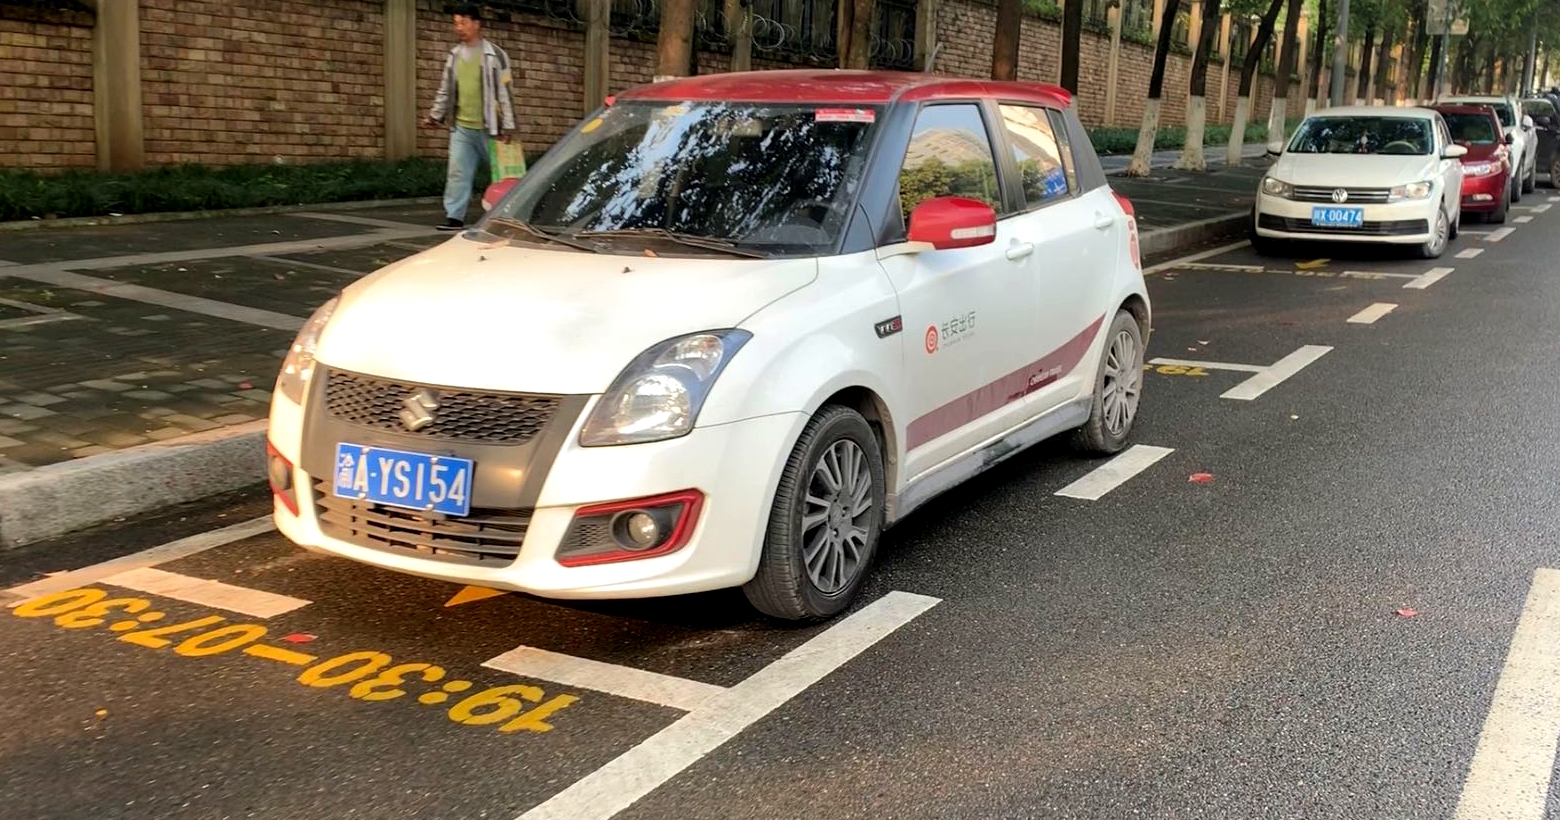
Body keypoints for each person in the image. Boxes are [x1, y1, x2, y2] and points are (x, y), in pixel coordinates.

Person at [423, 4, 518, 231]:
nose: (459, 28)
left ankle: (514, 214)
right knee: (457, 172)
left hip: (492, 128)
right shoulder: (454, 56)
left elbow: (506, 91)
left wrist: (508, 125)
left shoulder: (496, 55)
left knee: (504, 174)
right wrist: (435, 116)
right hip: (462, 127)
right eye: (456, 23)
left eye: (464, 22)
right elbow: (445, 89)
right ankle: (454, 217)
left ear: (477, 24)